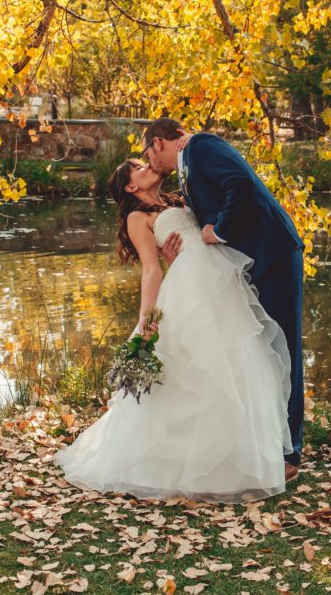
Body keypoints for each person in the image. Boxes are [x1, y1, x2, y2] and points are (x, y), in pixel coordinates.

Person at [54, 158, 293, 503]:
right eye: (139, 166)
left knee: (238, 362)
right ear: (130, 186)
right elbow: (151, 270)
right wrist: (147, 320)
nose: (148, 164)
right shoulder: (138, 218)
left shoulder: (178, 199)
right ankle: (179, 463)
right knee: (195, 369)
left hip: (219, 285)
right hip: (187, 294)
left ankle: (238, 461)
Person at [141, 118, 305, 481]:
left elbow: (239, 184)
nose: (148, 163)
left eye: (146, 154)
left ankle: (290, 452)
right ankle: (265, 441)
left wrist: (221, 230)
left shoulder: (200, 147)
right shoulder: (188, 162)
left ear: (159, 142)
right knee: (262, 354)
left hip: (274, 255)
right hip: (251, 264)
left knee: (285, 350)